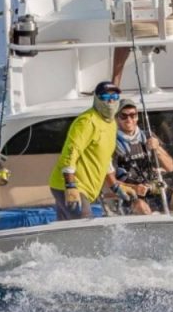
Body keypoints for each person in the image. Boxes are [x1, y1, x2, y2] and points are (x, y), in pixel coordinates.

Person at [107, 98, 173, 214]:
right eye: (123, 116)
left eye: (132, 115)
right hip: (132, 197)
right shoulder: (110, 143)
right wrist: (133, 188)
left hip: (157, 191)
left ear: (137, 117)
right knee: (141, 207)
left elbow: (170, 167)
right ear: (116, 118)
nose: (129, 119)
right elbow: (108, 183)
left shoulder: (148, 135)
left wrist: (157, 149)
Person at [47, 81, 122, 221]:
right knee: (85, 227)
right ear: (97, 99)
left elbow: (105, 158)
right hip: (71, 186)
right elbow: (69, 154)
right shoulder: (87, 121)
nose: (111, 101)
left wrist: (115, 186)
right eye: (105, 97)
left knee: (67, 232)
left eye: (115, 97)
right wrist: (71, 186)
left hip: (86, 189)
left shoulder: (111, 123)